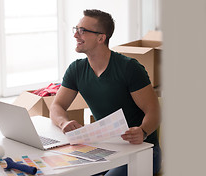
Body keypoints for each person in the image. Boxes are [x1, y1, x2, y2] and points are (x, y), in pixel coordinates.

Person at [50, 9, 161, 175]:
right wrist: (63, 123)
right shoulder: (76, 69)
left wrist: (143, 131)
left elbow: (154, 111)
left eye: (82, 31)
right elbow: (57, 106)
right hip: (104, 148)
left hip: (142, 151)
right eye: (76, 29)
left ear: (101, 38)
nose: (75, 35)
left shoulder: (129, 68)